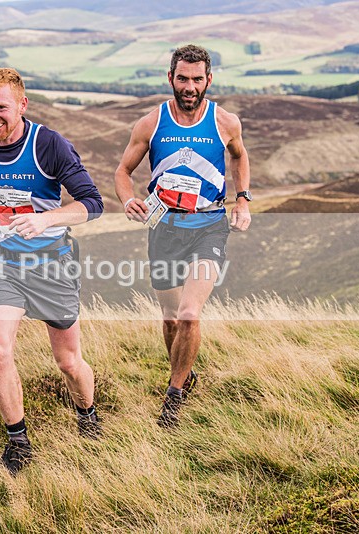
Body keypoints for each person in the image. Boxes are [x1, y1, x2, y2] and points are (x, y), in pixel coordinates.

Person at [0, 67, 104, 475]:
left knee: (68, 361)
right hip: (3, 263)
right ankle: (18, 444)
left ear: (22, 105)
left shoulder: (50, 145)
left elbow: (92, 203)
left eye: (1, 108)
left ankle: (87, 416)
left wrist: (46, 219)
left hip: (51, 263)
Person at [114, 44, 252, 428]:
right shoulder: (150, 124)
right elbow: (123, 172)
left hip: (209, 225)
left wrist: (241, 200)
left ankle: (173, 399)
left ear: (209, 80)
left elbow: (239, 156)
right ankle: (184, 374)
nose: (189, 87)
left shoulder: (225, 122)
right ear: (170, 79)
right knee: (172, 318)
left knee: (190, 314)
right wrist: (128, 201)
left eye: (196, 79)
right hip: (164, 228)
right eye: (182, 79)